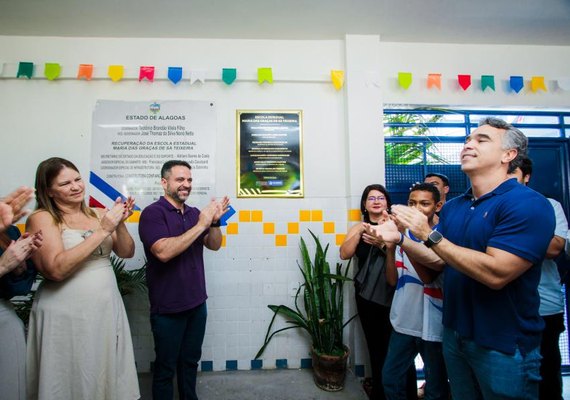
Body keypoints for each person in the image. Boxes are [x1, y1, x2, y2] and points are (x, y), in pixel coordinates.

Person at [366, 117, 555, 399]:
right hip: (454, 335)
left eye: (482, 140)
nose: (468, 144)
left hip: (502, 344)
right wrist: (401, 240)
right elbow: (437, 261)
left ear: (508, 155)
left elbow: (497, 274)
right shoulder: (456, 207)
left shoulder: (527, 203)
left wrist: (427, 233)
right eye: (468, 139)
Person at [26, 157, 140, 400]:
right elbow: (55, 269)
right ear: (49, 191)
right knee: (68, 374)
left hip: (104, 308)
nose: (76, 186)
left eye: (77, 179)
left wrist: (119, 224)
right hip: (64, 312)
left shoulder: (99, 214)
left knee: (100, 370)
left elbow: (126, 252)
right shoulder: (42, 218)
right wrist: (103, 231)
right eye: (65, 183)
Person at [138, 160, 229, 400]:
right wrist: (202, 225)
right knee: (166, 368)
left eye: (189, 180)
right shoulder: (152, 214)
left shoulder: (194, 213)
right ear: (164, 182)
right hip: (168, 307)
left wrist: (215, 222)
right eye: (180, 180)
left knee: (190, 363)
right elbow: (163, 252)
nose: (186, 185)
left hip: (197, 303)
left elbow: (214, 245)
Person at [340, 184, 416, 400]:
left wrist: (383, 243)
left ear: (387, 202)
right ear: (364, 204)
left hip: (397, 294)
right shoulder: (358, 227)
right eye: (371, 198)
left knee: (401, 349)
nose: (376, 201)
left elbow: (410, 256)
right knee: (375, 346)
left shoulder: (397, 226)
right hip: (366, 297)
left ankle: (406, 393)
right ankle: (381, 394)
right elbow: (344, 254)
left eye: (380, 198)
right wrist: (362, 232)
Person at [382, 183, 448, 400]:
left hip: (433, 324)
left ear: (437, 206)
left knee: (435, 387)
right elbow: (392, 280)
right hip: (404, 320)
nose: (417, 209)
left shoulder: (441, 236)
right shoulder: (403, 234)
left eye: (424, 204)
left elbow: (428, 277)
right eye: (412, 203)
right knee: (391, 379)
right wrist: (391, 248)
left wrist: (403, 240)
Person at [509, 157, 568, 400]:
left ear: (526, 176)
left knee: (547, 373)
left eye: (514, 172)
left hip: (545, 306)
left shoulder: (549, 206)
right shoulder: (488, 207)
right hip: (505, 308)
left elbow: (555, 248)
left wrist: (506, 238)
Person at [0, 188, 42, 400]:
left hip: (4, 315)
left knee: (11, 387)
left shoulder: (10, 232)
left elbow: (19, 288)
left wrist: (19, 267)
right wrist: (2, 265)